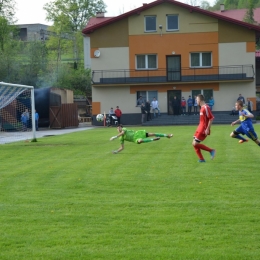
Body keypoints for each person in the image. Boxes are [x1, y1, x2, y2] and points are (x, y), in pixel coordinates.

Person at [192, 94, 216, 162]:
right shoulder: (202, 107)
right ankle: (201, 159)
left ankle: (211, 151)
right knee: (194, 143)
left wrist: (207, 129)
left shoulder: (206, 107)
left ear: (199, 100)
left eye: (196, 100)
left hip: (203, 129)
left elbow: (211, 118)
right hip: (199, 127)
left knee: (195, 144)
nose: (196, 101)